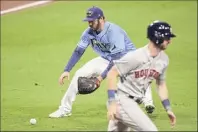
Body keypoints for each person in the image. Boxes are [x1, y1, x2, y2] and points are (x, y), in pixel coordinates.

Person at [49, 6, 155, 118]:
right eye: (88, 21)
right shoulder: (88, 33)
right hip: (106, 59)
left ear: (102, 19)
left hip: (127, 59)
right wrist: (67, 70)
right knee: (79, 74)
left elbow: (117, 58)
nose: (90, 24)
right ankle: (65, 109)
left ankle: (148, 101)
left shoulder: (113, 31)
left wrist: (100, 78)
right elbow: (78, 51)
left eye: (92, 21)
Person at [106, 20, 177, 131]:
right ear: (157, 38)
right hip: (122, 101)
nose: (170, 41)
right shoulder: (136, 57)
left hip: (133, 103)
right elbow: (112, 73)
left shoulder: (164, 60)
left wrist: (168, 108)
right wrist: (112, 103)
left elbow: (161, 84)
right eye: (167, 38)